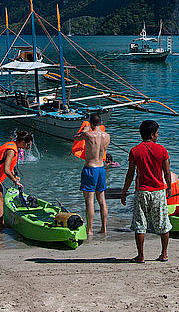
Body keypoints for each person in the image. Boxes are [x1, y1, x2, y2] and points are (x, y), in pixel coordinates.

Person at [121, 120, 172, 263]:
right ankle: (164, 254)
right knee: (163, 222)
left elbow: (130, 173)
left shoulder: (135, 151)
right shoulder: (162, 150)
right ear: (152, 134)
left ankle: (141, 255)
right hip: (158, 191)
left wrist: (124, 191)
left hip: (141, 191)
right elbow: (167, 172)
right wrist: (169, 188)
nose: (158, 135)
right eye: (157, 133)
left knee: (140, 223)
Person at [0, 130, 33, 227]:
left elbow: (8, 166)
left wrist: (14, 175)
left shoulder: (11, 144)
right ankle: (1, 227)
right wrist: (15, 181)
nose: (28, 147)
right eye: (28, 145)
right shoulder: (12, 151)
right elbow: (6, 170)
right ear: (22, 142)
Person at [74, 113, 110, 237]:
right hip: (101, 168)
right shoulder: (107, 136)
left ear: (90, 123)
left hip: (90, 168)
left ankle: (90, 230)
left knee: (89, 201)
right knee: (102, 200)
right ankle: (104, 227)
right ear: (100, 123)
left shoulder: (88, 134)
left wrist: (84, 129)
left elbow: (76, 137)